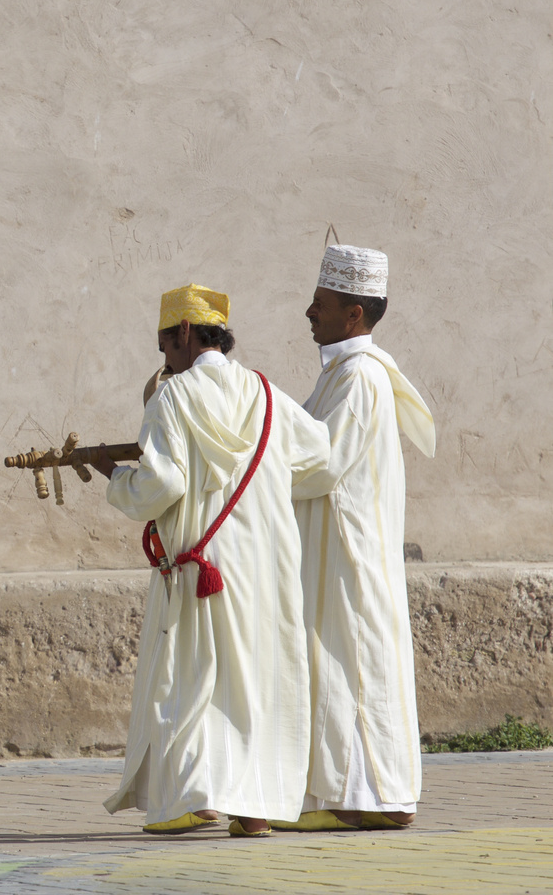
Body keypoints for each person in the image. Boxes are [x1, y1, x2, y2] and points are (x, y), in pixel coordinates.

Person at [91, 285, 331, 837]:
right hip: (266, 566)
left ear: (182, 334)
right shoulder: (267, 394)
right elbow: (320, 456)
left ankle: (187, 801)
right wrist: (264, 493)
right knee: (254, 681)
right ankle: (254, 810)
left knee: (191, 680)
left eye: (164, 347)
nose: (164, 360)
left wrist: (114, 475)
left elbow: (162, 486)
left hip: (202, 566)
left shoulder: (171, 399)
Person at [274, 246, 435, 832]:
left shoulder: (362, 377)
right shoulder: (340, 374)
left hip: (349, 555)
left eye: (321, 304)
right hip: (331, 550)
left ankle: (371, 797)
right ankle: (349, 794)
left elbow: (323, 462)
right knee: (337, 661)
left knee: (355, 661)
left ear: (354, 314)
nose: (308, 313)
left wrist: (256, 446)